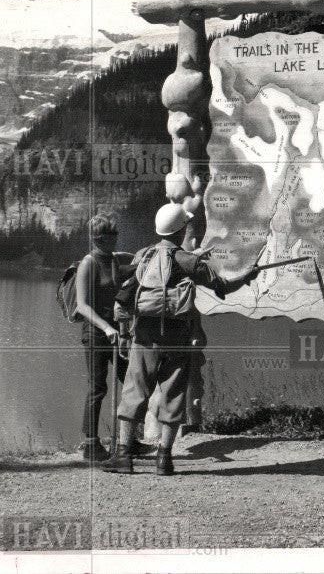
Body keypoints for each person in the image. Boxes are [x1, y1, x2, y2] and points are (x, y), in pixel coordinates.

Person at [102, 203, 259, 476]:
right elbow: (222, 287)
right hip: (178, 336)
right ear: (179, 230)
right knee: (173, 393)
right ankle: (164, 459)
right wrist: (246, 277)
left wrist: (125, 333)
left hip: (145, 335)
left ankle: (124, 456)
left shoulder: (143, 255)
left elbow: (127, 292)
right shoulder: (189, 261)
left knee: (134, 390)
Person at [75, 213, 155, 462]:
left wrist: (120, 331)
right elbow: (82, 305)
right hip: (95, 333)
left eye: (112, 236)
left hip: (116, 333)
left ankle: (127, 441)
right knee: (98, 387)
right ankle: (90, 444)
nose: (109, 241)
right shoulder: (88, 263)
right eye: (103, 238)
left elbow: (125, 283)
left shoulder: (113, 260)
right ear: (94, 239)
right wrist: (106, 328)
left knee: (131, 381)